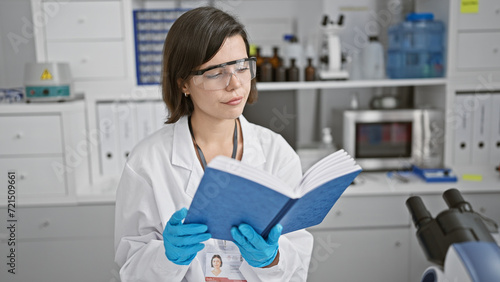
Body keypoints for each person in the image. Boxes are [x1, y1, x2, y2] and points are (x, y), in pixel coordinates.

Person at [114, 6, 313, 282]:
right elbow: (130, 269)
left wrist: (272, 259)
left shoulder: (277, 153)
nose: (234, 85)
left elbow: (298, 263)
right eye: (215, 72)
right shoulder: (147, 161)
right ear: (183, 83)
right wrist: (167, 257)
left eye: (242, 67)